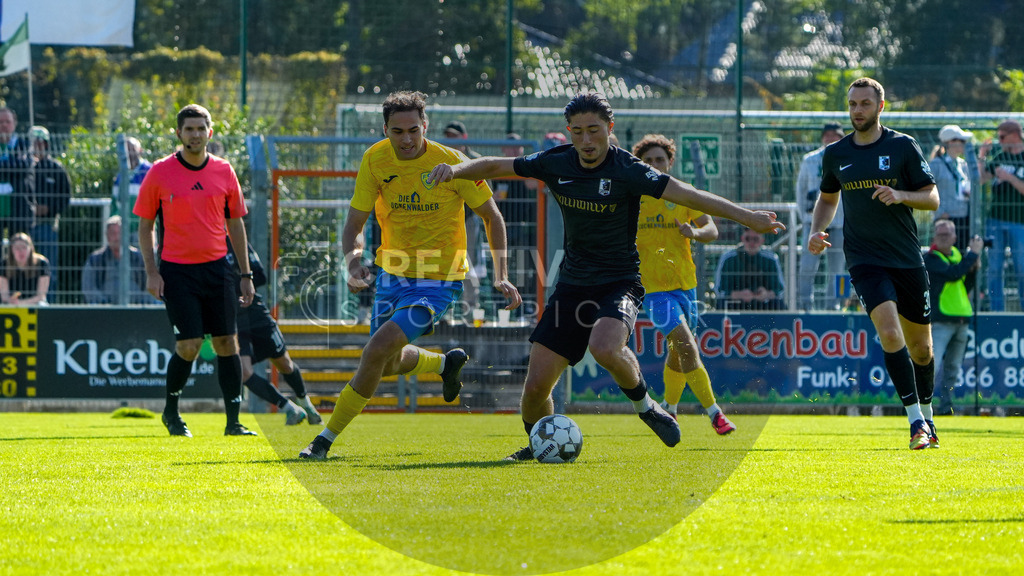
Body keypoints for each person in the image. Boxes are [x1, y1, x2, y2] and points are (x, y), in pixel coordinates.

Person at [428, 92, 783, 460]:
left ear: (609, 129)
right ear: (569, 132)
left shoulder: (628, 169)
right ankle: (538, 445)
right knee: (534, 389)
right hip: (571, 286)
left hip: (619, 282)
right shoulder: (556, 162)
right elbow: (492, 166)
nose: (586, 141)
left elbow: (689, 194)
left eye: (593, 131)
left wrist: (748, 217)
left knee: (604, 346)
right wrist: (454, 170)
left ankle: (646, 407)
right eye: (577, 132)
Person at [299, 91, 522, 459]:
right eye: (397, 131)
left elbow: (492, 216)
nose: (406, 139)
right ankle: (442, 363)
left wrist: (501, 274)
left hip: (440, 279)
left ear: (425, 127)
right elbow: (355, 221)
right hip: (392, 273)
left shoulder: (452, 162)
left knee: (377, 348)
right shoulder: (375, 159)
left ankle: (324, 439)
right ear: (384, 129)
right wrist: (353, 259)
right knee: (383, 363)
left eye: (413, 131)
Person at [809, 77, 940, 450]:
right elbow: (827, 199)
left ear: (880, 107)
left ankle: (928, 419)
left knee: (921, 349)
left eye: (864, 104)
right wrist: (817, 230)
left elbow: (932, 198)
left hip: (906, 259)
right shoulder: (836, 153)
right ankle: (915, 422)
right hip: (864, 259)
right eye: (852, 104)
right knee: (889, 332)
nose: (857, 111)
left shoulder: (902, 146)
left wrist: (900, 194)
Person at [133, 104, 258, 438]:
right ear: (179, 133)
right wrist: (151, 271)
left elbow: (236, 223)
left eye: (201, 129)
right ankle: (171, 413)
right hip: (177, 272)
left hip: (218, 270)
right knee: (188, 346)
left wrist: (245, 275)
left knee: (226, 343)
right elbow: (145, 227)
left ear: (210, 133)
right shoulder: (160, 172)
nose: (195, 134)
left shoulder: (224, 171)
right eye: (188, 129)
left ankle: (234, 422)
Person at [632, 134, 736, 434]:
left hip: (685, 285)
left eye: (659, 160)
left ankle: (670, 409)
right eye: (648, 161)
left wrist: (695, 233)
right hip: (652, 289)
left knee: (678, 352)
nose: (654, 165)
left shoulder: (681, 195)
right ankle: (715, 413)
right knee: (686, 344)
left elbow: (711, 229)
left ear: (670, 163)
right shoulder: (634, 197)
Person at [226, 238, 322, 426]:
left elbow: (260, 275)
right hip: (233, 320)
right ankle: (289, 408)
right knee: (244, 373)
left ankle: (306, 404)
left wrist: (238, 276)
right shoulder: (202, 249)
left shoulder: (235, 242)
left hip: (255, 313)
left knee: (284, 363)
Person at [924, 219, 983, 418]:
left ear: (955, 238)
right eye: (940, 234)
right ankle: (923, 404)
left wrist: (973, 269)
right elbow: (953, 274)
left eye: (947, 234)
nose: (943, 237)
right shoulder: (931, 258)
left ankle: (945, 406)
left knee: (953, 368)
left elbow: (964, 286)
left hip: (961, 319)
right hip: (941, 320)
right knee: (932, 365)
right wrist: (973, 255)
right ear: (934, 237)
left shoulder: (958, 256)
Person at [797, 122, 846, 310]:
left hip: (840, 222)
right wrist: (805, 218)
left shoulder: (848, 158)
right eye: (827, 135)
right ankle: (804, 305)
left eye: (835, 135)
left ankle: (835, 306)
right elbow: (800, 190)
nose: (830, 138)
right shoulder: (809, 160)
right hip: (813, 223)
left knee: (838, 269)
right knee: (807, 267)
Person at [977, 119, 1024, 312]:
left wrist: (1009, 178)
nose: (1000, 140)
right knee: (994, 269)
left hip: (1020, 222)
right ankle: (997, 311)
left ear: (1015, 134)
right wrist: (982, 156)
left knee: (1021, 269)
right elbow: (981, 179)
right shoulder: (999, 155)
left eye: (1002, 136)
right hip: (995, 220)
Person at [444, 120, 486, 318]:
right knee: (444, 265)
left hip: (469, 220)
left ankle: (471, 310)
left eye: (454, 136)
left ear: (464, 138)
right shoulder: (440, 159)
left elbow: (487, 195)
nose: (450, 140)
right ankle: (446, 312)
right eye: (447, 136)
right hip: (445, 221)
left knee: (469, 266)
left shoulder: (475, 160)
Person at [28, 126, 72, 293]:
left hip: (48, 226)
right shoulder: (23, 166)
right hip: (25, 226)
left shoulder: (56, 168)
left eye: (40, 142)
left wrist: (48, 209)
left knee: (48, 268)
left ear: (46, 144)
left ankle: (49, 301)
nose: (37, 145)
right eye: (33, 142)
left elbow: (65, 197)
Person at [81, 215, 153, 305]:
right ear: (107, 235)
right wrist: (103, 304)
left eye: (120, 233)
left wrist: (140, 304)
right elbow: (89, 288)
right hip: (104, 312)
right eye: (113, 233)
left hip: (136, 310)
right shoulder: (95, 259)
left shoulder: (139, 258)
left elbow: (151, 284)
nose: (117, 237)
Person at [715, 228, 786, 310]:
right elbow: (719, 290)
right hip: (735, 304)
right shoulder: (728, 258)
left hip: (763, 305)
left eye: (755, 239)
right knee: (722, 303)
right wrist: (740, 294)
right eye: (748, 239)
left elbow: (780, 290)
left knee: (778, 304)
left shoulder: (771, 259)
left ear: (762, 241)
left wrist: (765, 294)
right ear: (742, 239)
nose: (751, 243)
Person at [930, 125, 974, 252]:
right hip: (945, 219)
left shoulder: (963, 165)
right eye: (962, 141)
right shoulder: (936, 164)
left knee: (961, 255)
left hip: (964, 218)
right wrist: (940, 212)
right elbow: (928, 191)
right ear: (950, 142)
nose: (964, 144)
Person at [0, 107, 33, 240]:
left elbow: (24, 166)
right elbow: (17, 167)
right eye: (0, 122)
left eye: (7, 121)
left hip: (18, 207)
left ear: (14, 124)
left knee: (18, 248)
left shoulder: (23, 145)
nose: (4, 125)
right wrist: (12, 166)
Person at [0, 231, 49, 306]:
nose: (21, 251)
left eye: (24, 247)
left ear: (31, 248)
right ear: (11, 250)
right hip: (11, 304)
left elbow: (41, 296)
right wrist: (11, 301)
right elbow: (4, 297)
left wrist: (21, 303)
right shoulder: (4, 264)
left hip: (34, 304)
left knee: (42, 305)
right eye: (17, 248)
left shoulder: (42, 263)